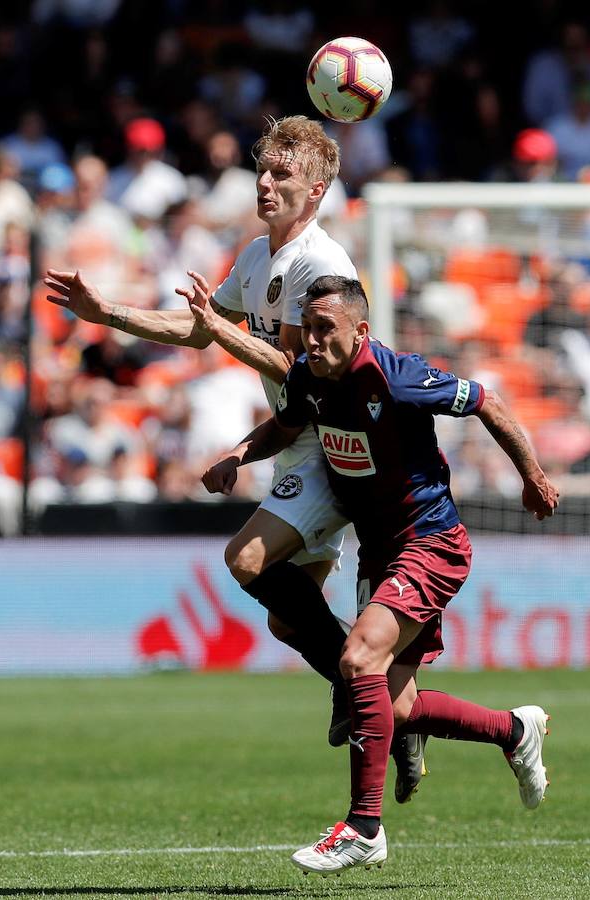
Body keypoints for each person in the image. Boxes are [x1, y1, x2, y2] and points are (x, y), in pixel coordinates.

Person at [43, 116, 428, 798]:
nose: (266, 182)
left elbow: (295, 362)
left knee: (246, 560)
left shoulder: (322, 263)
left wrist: (221, 329)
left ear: (317, 190)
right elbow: (198, 331)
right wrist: (110, 314)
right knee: (288, 619)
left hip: (333, 441)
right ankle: (399, 708)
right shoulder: (257, 257)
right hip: (296, 439)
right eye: (263, 170)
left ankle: (353, 683)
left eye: (283, 174)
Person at [200, 275, 560, 875]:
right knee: (393, 708)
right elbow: (286, 425)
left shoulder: (396, 377)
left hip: (429, 541)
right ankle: (514, 731)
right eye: (308, 329)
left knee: (358, 661)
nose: (312, 341)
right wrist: (240, 454)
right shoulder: (307, 379)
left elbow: (487, 402)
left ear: (359, 330)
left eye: (325, 330)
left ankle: (364, 829)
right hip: (378, 550)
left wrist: (533, 475)